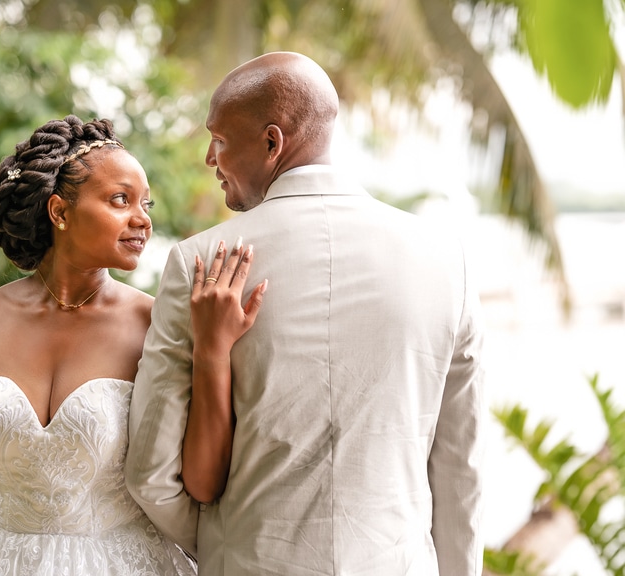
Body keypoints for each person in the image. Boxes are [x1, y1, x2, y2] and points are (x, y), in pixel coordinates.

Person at [125, 51, 486, 576]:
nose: (209, 158)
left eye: (219, 139)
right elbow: (461, 468)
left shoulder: (201, 263)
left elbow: (151, 473)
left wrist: (233, 545)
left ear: (273, 143)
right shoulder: (446, 261)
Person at [0, 115, 257, 575]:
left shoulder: (157, 324)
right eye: (121, 200)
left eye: (146, 204)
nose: (143, 220)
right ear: (59, 212)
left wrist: (212, 352)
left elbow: (203, 482)